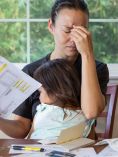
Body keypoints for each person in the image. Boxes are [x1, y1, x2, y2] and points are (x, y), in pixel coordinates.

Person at [0, 0, 109, 138]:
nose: (74, 39)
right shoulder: (31, 72)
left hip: (82, 149)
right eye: (67, 30)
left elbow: (91, 112)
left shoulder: (97, 69)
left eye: (81, 32)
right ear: (51, 26)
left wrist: (87, 53)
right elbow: (21, 128)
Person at [29, 59, 95, 139]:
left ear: (56, 90)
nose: (39, 97)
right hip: (35, 150)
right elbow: (30, 138)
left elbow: (90, 143)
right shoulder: (41, 111)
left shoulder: (84, 116)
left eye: (40, 92)